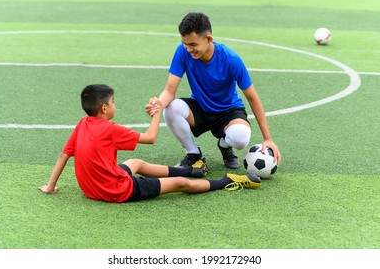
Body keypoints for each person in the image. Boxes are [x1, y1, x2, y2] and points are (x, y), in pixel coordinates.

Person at [39, 84, 261, 203]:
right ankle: (227, 181)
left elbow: (64, 155)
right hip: (117, 190)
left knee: (135, 162)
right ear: (104, 109)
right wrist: (157, 112)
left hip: (92, 188)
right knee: (180, 185)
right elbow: (151, 138)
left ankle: (192, 170)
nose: (115, 105)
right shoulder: (110, 129)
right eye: (113, 102)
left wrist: (50, 187)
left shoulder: (82, 124)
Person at [146, 12, 281, 170]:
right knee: (170, 108)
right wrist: (159, 104)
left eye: (193, 45)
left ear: (208, 38)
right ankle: (193, 153)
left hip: (228, 111)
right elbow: (169, 91)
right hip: (199, 107)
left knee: (241, 137)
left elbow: (252, 98)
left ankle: (224, 145)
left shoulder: (231, 59)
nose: (188, 49)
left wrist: (268, 138)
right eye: (185, 43)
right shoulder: (182, 52)